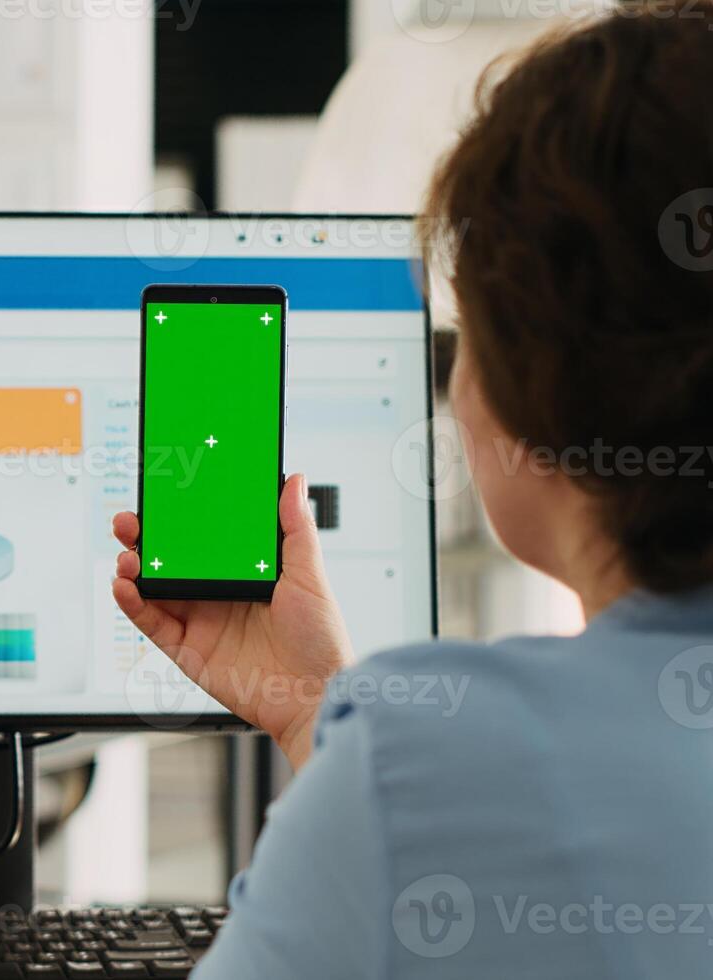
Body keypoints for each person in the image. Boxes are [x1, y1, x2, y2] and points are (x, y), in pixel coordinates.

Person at [112, 7, 713, 977]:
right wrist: (316, 712)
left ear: (534, 385)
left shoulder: (431, 765)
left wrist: (366, 762)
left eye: (465, 329)